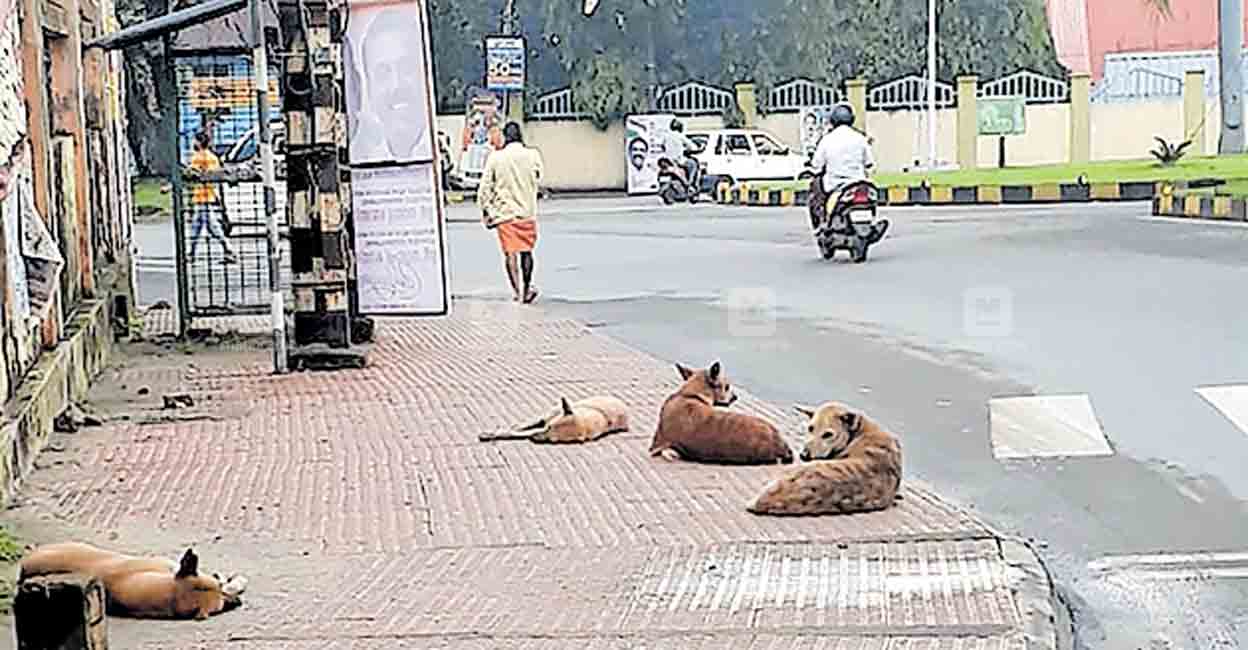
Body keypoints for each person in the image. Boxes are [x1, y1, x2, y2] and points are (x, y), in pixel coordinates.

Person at [348, 6, 432, 163]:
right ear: (369, 87)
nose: (396, 85)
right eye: (383, 73)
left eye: (406, 68)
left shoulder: (443, 155)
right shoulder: (364, 160)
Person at [478, 122, 545, 304]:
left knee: (510, 254)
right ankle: (527, 285)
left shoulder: (496, 158)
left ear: (505, 137)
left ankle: (518, 291)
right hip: (527, 212)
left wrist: (487, 212)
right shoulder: (533, 155)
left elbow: (484, 188)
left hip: (504, 213)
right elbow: (539, 177)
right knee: (526, 251)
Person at [808, 103, 888, 242]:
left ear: (833, 120)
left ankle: (823, 223)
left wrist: (814, 168)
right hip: (858, 182)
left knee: (816, 188)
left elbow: (816, 165)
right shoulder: (860, 138)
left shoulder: (827, 139)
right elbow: (869, 163)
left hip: (835, 183)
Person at [187, 131, 237, 264]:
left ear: (199, 142)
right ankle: (191, 253)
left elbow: (192, 174)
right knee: (198, 227)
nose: (193, 143)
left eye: (195, 140)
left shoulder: (199, 157)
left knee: (211, 227)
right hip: (208, 195)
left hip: (203, 196)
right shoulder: (212, 157)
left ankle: (229, 250)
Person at [663, 119, 700, 188]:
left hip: (668, 160)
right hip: (679, 160)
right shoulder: (680, 136)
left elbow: (662, 146)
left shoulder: (666, 136)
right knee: (693, 164)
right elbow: (693, 147)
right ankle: (691, 182)